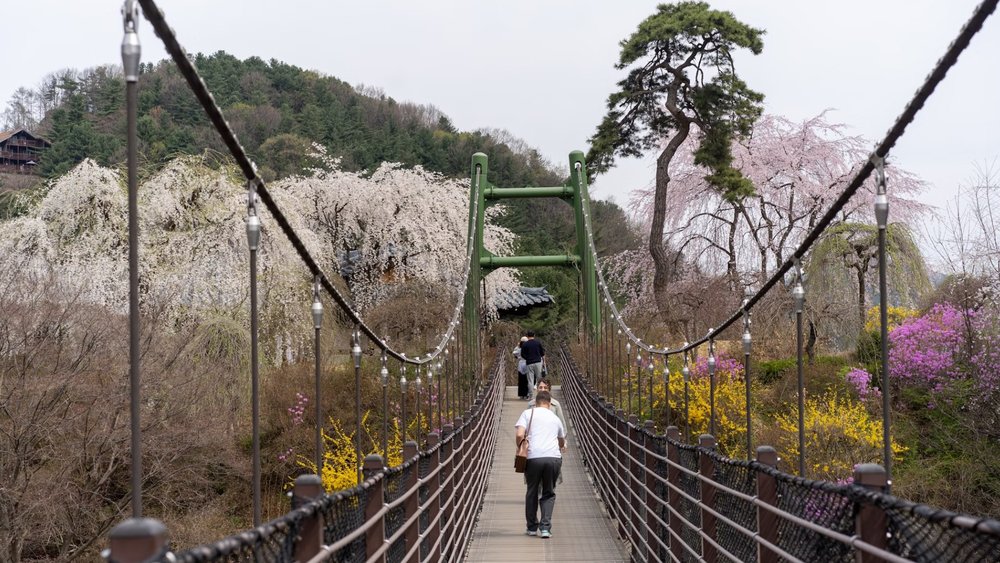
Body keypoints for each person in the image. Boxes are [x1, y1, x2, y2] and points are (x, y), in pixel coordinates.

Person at [515, 390, 565, 539]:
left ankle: (531, 527)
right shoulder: (555, 418)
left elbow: (519, 434)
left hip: (533, 458)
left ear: (535, 403)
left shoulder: (527, 413)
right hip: (552, 458)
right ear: (549, 404)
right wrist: (561, 445)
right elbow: (561, 440)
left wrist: (521, 446)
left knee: (532, 491)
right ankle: (545, 529)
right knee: (548, 492)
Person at [519, 331, 545, 401]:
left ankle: (531, 396)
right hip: (538, 362)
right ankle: (540, 395)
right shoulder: (538, 343)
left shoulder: (525, 344)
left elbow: (522, 354)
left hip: (529, 362)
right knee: (539, 379)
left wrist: (527, 358)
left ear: (527, 336)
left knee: (530, 380)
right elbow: (542, 353)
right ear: (534, 335)